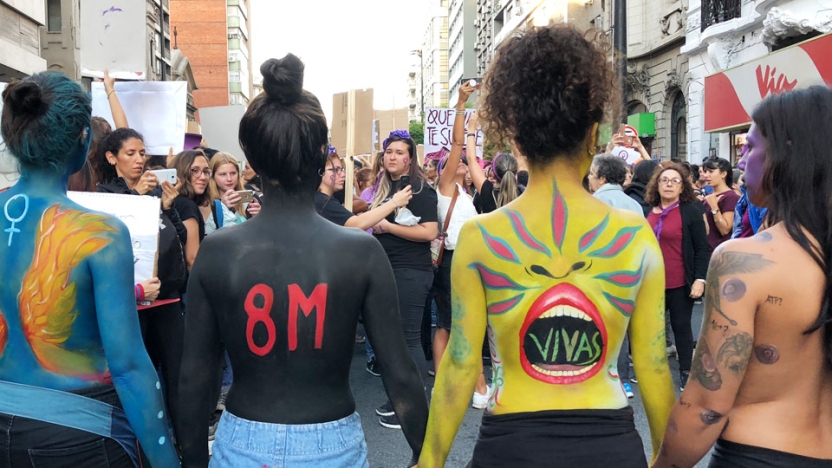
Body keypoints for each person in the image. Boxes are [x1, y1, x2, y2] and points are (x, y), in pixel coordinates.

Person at [417, 25, 674, 468]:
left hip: (511, 447)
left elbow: (460, 364)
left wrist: (429, 462)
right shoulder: (634, 236)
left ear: (515, 138)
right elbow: (652, 364)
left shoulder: (481, 237)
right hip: (611, 447)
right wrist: (667, 461)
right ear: (594, 137)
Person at [178, 54, 429, 468]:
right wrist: (427, 456)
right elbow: (399, 372)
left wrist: (190, 460)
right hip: (333, 447)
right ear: (320, 156)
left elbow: (195, 377)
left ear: (251, 160)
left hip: (242, 443)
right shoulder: (361, 252)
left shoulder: (219, 251)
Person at [0, 72, 180, 467]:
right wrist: (166, 459)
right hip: (77, 436)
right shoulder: (99, 234)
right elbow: (130, 367)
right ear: (83, 141)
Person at [653, 86, 832, 467]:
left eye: (749, 148)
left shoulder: (745, 260)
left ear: (785, 155)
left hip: (758, 453)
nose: (741, 160)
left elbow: (705, 406)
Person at [369, 129, 439, 430]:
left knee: (409, 338)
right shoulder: (387, 188)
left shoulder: (420, 189)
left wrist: (387, 226)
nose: (392, 157)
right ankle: (402, 398)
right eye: (389, 152)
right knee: (396, 339)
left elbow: (429, 232)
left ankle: (416, 404)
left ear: (410, 160)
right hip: (390, 270)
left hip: (411, 272)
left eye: (399, 152)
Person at [433, 82, 490, 409]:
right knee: (459, 324)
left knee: (452, 324)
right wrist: (461, 105)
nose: (467, 166)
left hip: (465, 261)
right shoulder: (445, 188)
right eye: (462, 164)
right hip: (453, 262)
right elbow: (457, 145)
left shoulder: (465, 196)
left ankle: (460, 382)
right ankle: (473, 383)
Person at [586, 153, 646, 399]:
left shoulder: (592, 203)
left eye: (591, 174)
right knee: (620, 328)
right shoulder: (633, 204)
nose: (589, 179)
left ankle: (596, 377)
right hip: (628, 272)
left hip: (597, 273)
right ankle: (622, 380)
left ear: (600, 178)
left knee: (595, 327)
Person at [644, 164, 709, 391]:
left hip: (680, 282)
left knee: (681, 327)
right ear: (657, 185)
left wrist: (700, 279)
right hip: (650, 283)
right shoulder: (647, 210)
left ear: (683, 187)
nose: (669, 184)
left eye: (675, 181)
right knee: (651, 328)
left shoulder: (691, 210)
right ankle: (652, 372)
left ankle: (686, 371)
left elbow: (702, 248)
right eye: (664, 180)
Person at [315, 150, 411, 229]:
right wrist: (394, 202)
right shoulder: (322, 202)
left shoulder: (321, 199)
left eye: (342, 169)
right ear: (320, 172)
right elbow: (356, 224)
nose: (343, 174)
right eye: (335, 170)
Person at [170, 149, 211, 270]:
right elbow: (192, 259)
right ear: (182, 172)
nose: (203, 177)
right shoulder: (186, 205)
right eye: (195, 171)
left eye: (206, 171)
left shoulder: (175, 201)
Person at [204, 152, 260, 235]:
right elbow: (206, 235)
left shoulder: (251, 197)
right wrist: (221, 208)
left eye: (233, 173)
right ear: (213, 176)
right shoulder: (205, 201)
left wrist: (260, 217)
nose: (229, 179)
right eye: (223, 174)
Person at [701, 157, 739, 253]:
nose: (706, 175)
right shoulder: (709, 196)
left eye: (711, 171)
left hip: (720, 252)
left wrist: (714, 207)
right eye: (705, 172)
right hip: (706, 251)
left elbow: (725, 229)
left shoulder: (731, 197)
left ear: (723, 174)